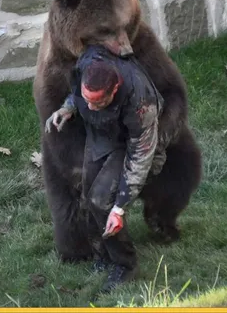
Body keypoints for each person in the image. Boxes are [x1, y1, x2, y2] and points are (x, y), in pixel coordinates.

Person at [45, 44, 164, 292]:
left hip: (128, 144)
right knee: (88, 197)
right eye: (87, 101)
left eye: (97, 102)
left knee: (103, 202)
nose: (89, 107)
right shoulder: (87, 65)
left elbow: (141, 157)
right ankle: (103, 256)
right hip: (100, 135)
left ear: (115, 89)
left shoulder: (141, 103)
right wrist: (68, 108)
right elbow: (77, 93)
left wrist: (120, 208)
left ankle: (125, 263)